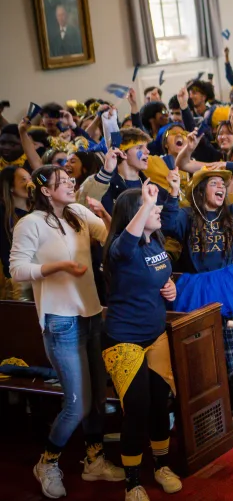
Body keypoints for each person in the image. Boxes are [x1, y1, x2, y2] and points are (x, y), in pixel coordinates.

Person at [9, 165, 124, 498]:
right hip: (60, 321)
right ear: (45, 190)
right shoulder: (29, 223)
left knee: (97, 400)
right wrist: (58, 266)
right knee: (76, 402)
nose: (71, 184)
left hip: (91, 314)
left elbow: (111, 239)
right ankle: (47, 462)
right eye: (63, 182)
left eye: (71, 179)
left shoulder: (76, 212)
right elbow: (17, 269)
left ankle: (94, 460)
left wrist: (107, 216)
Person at [160, 153, 233, 433]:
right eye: (213, 183)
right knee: (202, 353)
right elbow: (168, 224)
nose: (220, 186)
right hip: (196, 289)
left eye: (222, 183)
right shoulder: (186, 215)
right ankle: (208, 410)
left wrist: (231, 166)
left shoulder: (232, 214)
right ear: (199, 190)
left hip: (229, 286)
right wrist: (172, 192)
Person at [102, 183, 182, 500]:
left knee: (160, 403)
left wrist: (170, 286)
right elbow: (126, 244)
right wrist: (145, 204)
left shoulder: (154, 243)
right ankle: (132, 481)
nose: (157, 208)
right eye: (150, 205)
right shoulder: (122, 249)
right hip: (124, 340)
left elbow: (160, 273)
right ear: (134, 214)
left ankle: (161, 465)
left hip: (156, 334)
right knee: (137, 408)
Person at [0, 166, 31, 300]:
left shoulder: (39, 210)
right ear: (11, 187)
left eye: (30, 179)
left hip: (41, 277)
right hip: (17, 281)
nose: (30, 183)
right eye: (23, 180)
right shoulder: (3, 214)